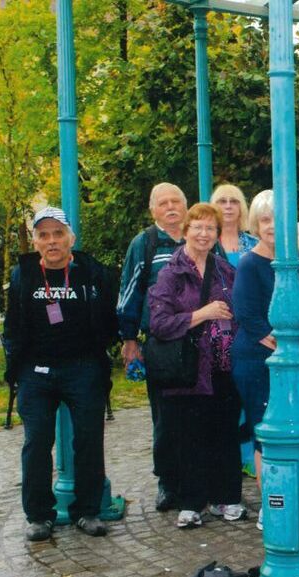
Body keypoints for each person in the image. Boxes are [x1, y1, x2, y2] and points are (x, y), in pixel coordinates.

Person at [5, 207, 118, 540]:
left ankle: (87, 511)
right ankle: (40, 516)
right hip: (36, 372)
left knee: (88, 439)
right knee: (37, 441)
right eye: (43, 235)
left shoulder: (91, 272)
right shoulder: (22, 274)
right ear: (36, 241)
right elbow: (13, 324)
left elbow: (110, 316)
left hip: (82, 368)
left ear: (71, 238)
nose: (51, 241)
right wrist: (16, 362)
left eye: (58, 234)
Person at [147, 203, 243, 529]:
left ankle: (226, 498)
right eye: (198, 228)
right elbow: (158, 322)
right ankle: (191, 502)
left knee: (225, 434)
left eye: (210, 229)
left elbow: (239, 311)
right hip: (188, 370)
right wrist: (202, 314)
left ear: (217, 234)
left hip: (223, 367)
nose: (204, 234)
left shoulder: (225, 270)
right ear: (186, 231)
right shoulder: (171, 273)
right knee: (189, 438)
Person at [231, 191, 299, 491]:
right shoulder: (249, 264)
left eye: (279, 219)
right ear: (255, 224)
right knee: (266, 433)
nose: (273, 226)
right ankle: (274, 502)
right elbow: (249, 318)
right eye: (265, 220)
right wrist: (292, 353)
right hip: (259, 362)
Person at [117, 182, 188, 511]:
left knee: (200, 412)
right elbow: (129, 292)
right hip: (161, 343)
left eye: (177, 201)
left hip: (199, 340)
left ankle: (196, 480)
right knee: (165, 416)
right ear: (153, 210)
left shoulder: (198, 237)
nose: (171, 207)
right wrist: (129, 340)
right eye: (164, 203)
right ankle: (168, 482)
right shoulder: (144, 244)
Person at [210, 184, 256, 266]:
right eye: (223, 201)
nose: (228, 206)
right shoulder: (206, 243)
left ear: (241, 208)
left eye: (234, 201)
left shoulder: (255, 243)